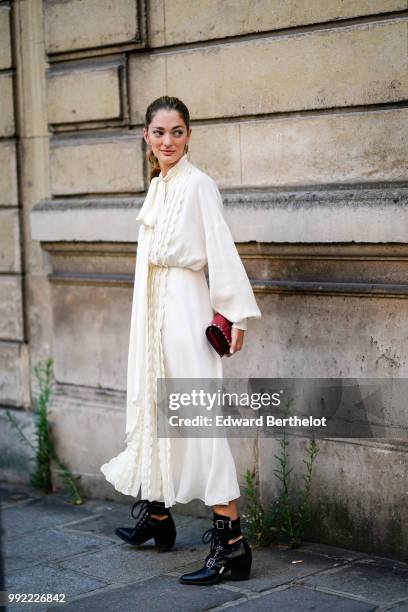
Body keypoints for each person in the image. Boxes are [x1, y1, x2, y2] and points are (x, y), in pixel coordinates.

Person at [100, 96, 261, 586]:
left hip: (186, 314)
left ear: (189, 135)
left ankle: (232, 545)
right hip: (151, 314)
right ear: (146, 138)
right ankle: (157, 515)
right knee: (153, 407)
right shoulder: (159, 186)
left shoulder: (198, 185)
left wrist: (235, 315)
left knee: (195, 417)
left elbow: (220, 248)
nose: (167, 141)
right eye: (158, 132)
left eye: (176, 131)